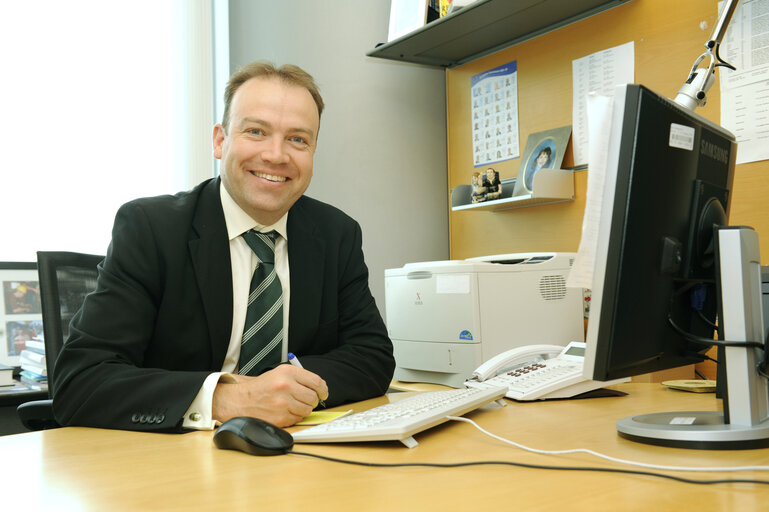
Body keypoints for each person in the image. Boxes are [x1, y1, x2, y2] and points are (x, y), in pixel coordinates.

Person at [52, 62, 395, 432]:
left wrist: (288, 386)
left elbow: (371, 356)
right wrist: (224, 397)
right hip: (175, 463)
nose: (276, 155)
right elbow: (81, 382)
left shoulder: (335, 234)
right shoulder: (151, 228)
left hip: (296, 458)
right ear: (220, 140)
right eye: (256, 131)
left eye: (298, 139)